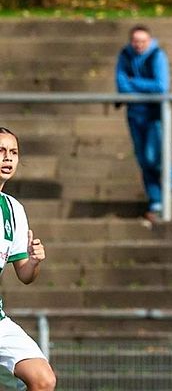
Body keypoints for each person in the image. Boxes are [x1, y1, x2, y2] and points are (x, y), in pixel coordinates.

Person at [0, 128, 57, 391]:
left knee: (43, 380)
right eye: (0, 151)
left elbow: (24, 275)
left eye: (13, 152)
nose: (7, 158)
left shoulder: (14, 209)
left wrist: (34, 262)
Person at [115, 24, 172, 224]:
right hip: (134, 114)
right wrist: (142, 85)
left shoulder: (157, 55)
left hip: (154, 114)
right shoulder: (125, 55)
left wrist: (133, 81)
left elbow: (161, 86)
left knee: (154, 157)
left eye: (143, 42)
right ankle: (155, 200)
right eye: (135, 41)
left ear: (150, 41)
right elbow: (121, 85)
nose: (139, 46)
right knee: (143, 160)